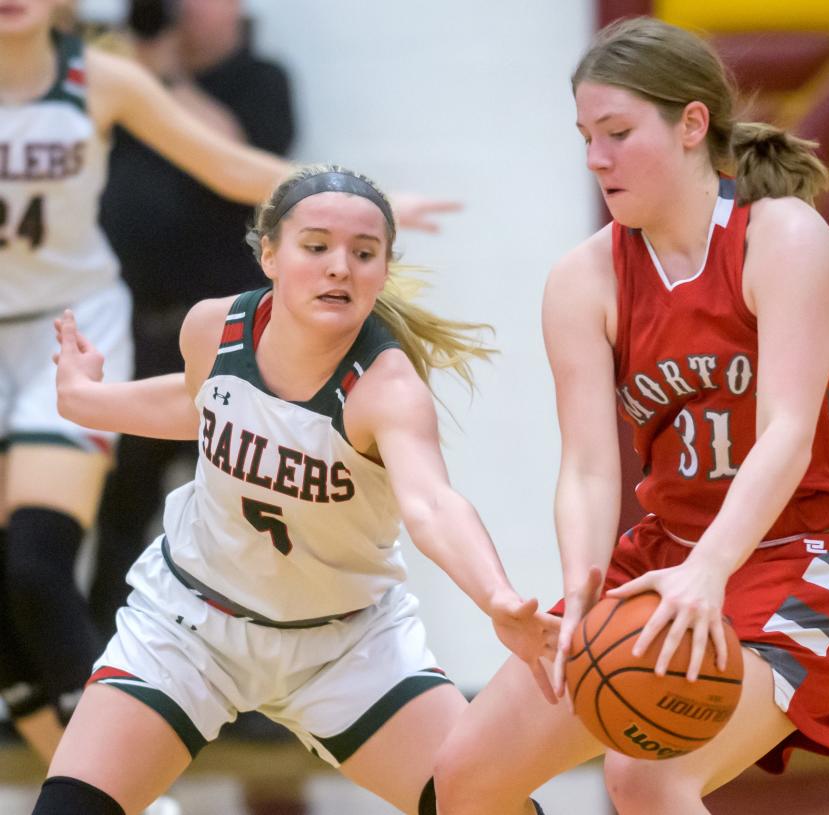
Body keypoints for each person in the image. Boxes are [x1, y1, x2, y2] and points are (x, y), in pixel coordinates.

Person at [434, 16, 829, 815]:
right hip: (667, 552)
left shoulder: (782, 236)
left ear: (692, 124)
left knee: (645, 771)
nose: (595, 158)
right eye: (585, 135)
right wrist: (580, 591)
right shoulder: (585, 280)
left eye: (616, 132)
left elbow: (787, 430)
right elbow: (585, 463)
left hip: (814, 548)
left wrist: (711, 570)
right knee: (465, 781)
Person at [0, 0, 458, 769]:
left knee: (34, 563)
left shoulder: (100, 79)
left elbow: (221, 161)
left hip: (66, 324)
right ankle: (83, 773)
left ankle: (115, 770)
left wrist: (357, 201)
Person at [38, 164, 557, 815]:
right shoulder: (213, 327)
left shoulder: (386, 387)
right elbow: (203, 402)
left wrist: (498, 596)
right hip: (191, 622)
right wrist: (89, 399)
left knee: (484, 805)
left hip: (344, 644)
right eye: (317, 246)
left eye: (364, 253)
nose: (340, 266)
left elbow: (432, 503)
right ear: (270, 254)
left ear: (384, 269)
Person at [91, 0, 297, 639]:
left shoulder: (259, 78)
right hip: (138, 330)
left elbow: (237, 158)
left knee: (245, 508)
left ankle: (258, 672)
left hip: (236, 342)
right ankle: (105, 662)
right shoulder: (116, 81)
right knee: (120, 509)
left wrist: (164, 80)